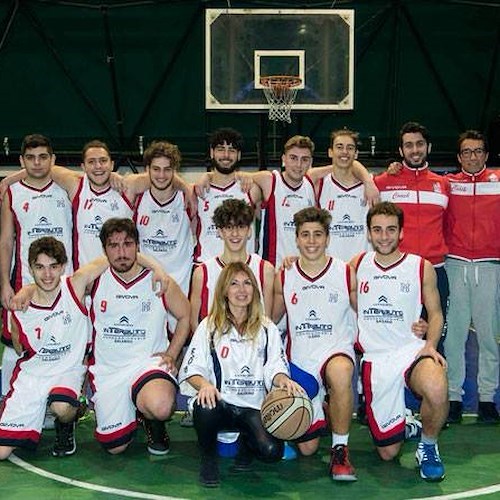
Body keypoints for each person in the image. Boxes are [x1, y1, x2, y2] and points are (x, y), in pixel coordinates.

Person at [179, 261, 302, 487]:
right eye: (234, 284)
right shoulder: (209, 326)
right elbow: (191, 370)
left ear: (254, 290)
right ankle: (208, 460)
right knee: (204, 406)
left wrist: (282, 379)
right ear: (224, 291)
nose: (242, 290)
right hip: (221, 405)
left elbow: (275, 365)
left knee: (272, 452)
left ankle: (247, 443)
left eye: (247, 283)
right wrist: (204, 385)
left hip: (253, 407)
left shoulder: (267, 328)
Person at [350, 201, 448, 482]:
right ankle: (407, 424)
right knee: (388, 453)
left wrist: (429, 344)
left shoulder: (421, 267)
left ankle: (428, 447)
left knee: (437, 385)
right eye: (377, 230)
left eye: (391, 230)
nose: (384, 236)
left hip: (410, 350)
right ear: (368, 233)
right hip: (376, 359)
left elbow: (436, 313)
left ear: (401, 232)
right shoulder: (357, 264)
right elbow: (324, 273)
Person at [89, 218, 190, 455]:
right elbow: (56, 285)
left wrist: (172, 354)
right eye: (113, 246)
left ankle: (153, 420)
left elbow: (185, 315)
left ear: (137, 246)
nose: (122, 252)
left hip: (147, 364)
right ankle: (134, 411)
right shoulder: (94, 280)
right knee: (115, 448)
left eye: (128, 244)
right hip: (110, 370)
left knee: (161, 406)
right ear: (104, 250)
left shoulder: (159, 281)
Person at [272, 207, 358, 481]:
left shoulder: (345, 272)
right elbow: (270, 320)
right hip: (300, 360)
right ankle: (323, 408)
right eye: (305, 235)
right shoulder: (284, 275)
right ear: (296, 239)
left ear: (327, 238)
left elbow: (367, 314)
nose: (311, 241)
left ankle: (339, 449)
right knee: (307, 449)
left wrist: (416, 327)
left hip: (335, 351)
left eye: (318, 235)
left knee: (341, 372)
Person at [0, 237, 104, 459]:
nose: (47, 275)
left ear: (63, 266)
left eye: (53, 267)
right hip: (33, 375)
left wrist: (157, 269)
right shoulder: (20, 307)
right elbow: (19, 349)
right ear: (31, 268)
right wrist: (27, 291)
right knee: (1, 453)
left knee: (62, 408)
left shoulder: (74, 287)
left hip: (67, 371)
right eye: (40, 267)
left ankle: (68, 421)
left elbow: (112, 258)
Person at [0, 134, 73, 398]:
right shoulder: (13, 192)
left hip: (64, 281)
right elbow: (6, 241)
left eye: (43, 157)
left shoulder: (67, 187)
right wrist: (4, 284)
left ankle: (66, 399)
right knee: (16, 342)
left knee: (63, 341)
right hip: (26, 280)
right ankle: (12, 398)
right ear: (21, 161)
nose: (37, 163)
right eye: (30, 158)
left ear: (52, 159)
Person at [375, 123, 450, 346]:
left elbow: (451, 224)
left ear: (428, 147)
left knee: (435, 336)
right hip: (398, 272)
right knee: (398, 333)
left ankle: (433, 378)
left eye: (419, 144)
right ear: (401, 151)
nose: (414, 150)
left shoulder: (443, 184)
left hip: (435, 271)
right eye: (409, 145)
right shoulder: (382, 183)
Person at [443, 130, 500, 424]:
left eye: (478, 151)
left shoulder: (498, 182)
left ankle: (487, 399)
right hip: (455, 265)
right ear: (459, 157)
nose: (472, 156)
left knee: (489, 336)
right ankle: (453, 397)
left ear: (486, 155)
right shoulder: (448, 184)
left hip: (491, 266)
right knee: (454, 336)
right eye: (466, 152)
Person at [190, 198, 275, 331]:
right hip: (215, 347)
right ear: (220, 232)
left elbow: (266, 320)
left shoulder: (265, 270)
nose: (235, 234)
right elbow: (194, 323)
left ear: (249, 231)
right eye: (229, 227)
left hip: (251, 347)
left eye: (241, 227)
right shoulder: (202, 273)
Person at [133, 140, 195, 299]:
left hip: (181, 284)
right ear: (147, 169)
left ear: (175, 171)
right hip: (148, 285)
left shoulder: (189, 199)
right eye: (156, 169)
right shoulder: (135, 199)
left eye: (167, 170)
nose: (161, 175)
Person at [194, 128, 259, 263]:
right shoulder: (197, 190)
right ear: (212, 152)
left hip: (242, 268)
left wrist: (248, 175)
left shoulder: (251, 189)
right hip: (207, 265)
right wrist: (207, 175)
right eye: (220, 149)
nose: (226, 155)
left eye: (232, 150)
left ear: (239, 155)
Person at [309, 129, 371, 262]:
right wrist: (337, 167)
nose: (344, 152)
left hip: (363, 265)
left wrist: (367, 180)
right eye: (339, 147)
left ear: (356, 154)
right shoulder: (320, 184)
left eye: (350, 148)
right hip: (330, 267)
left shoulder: (371, 185)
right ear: (330, 152)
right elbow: (306, 175)